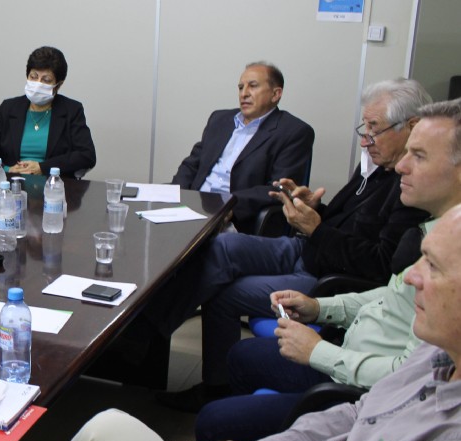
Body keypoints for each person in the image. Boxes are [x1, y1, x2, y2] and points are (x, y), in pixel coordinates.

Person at [43, 193, 461, 441]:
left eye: (433, 267)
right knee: (222, 262)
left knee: (103, 431)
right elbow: (354, 416)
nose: (410, 276)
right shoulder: (434, 358)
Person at [155, 79, 432, 412]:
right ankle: (153, 325)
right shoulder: (376, 166)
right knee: (222, 248)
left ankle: (208, 381)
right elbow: (348, 225)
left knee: (223, 294)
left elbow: (378, 263)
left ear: (411, 127)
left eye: (374, 128)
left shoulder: (413, 187)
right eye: (365, 126)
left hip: (325, 275)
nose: (364, 139)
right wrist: (314, 209)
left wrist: (317, 228)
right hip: (308, 249)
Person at [171, 62, 314, 233]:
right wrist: (174, 197)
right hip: (192, 208)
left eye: (253, 86)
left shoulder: (293, 132)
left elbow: (278, 189)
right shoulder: (220, 119)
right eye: (240, 87)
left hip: (234, 217)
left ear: (276, 94)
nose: (244, 93)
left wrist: (227, 206)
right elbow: (192, 164)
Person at [0, 46, 96, 177]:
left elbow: (87, 155)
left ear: (58, 85)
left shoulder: (72, 110)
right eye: (33, 77)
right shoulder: (10, 108)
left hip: (53, 186)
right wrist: (6, 169)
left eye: (46, 80)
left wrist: (42, 167)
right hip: (11, 184)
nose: (38, 83)